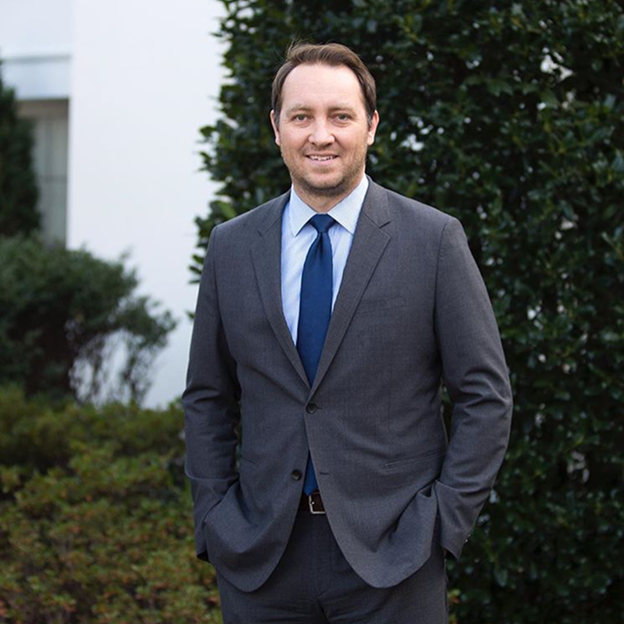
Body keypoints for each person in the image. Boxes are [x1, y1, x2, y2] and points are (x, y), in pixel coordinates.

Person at [182, 42, 513, 624]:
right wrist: (213, 514)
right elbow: (208, 395)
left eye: (340, 116)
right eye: (301, 116)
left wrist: (441, 524)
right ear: (276, 128)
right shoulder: (232, 246)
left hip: (394, 560)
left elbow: (486, 396)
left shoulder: (433, 242)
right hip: (260, 561)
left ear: (372, 126)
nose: (321, 135)